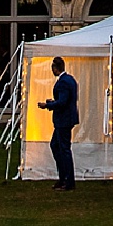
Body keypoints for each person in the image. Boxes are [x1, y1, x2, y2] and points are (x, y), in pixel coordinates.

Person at [39, 57, 80, 191]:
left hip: (63, 120)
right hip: (67, 118)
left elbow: (62, 102)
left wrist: (48, 105)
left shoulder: (62, 83)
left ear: (55, 68)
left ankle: (68, 180)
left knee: (64, 148)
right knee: (56, 145)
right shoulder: (71, 79)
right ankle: (63, 177)